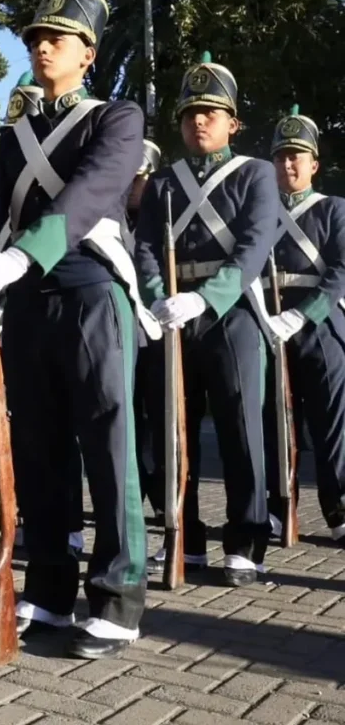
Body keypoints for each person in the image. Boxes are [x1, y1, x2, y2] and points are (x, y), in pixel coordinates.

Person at [0, 0, 158, 658]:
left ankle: (118, 596)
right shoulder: (13, 134)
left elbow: (93, 191)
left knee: (108, 445)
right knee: (39, 451)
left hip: (93, 292)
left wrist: (19, 255)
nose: (44, 46)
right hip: (31, 302)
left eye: (60, 36)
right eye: (38, 36)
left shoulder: (117, 117)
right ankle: (46, 589)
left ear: (88, 51)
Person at [135, 52, 278, 587]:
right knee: (170, 430)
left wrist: (207, 298)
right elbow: (145, 247)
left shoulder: (256, 174)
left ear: (232, 124)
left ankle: (245, 542)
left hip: (231, 311)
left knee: (242, 427)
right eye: (191, 112)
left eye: (211, 113)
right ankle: (184, 537)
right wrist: (156, 298)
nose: (199, 120)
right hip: (172, 314)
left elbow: (254, 246)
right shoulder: (163, 184)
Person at [264, 106, 345, 547]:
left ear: (314, 164)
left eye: (297, 155)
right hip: (271, 323)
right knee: (271, 422)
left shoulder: (334, 210)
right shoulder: (262, 213)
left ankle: (339, 508)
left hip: (320, 325)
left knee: (331, 423)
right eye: (280, 156)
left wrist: (303, 315)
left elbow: (341, 271)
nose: (288, 163)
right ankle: (277, 509)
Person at [129, 139, 166, 521]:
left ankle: (162, 499)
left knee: (159, 422)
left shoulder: (160, 224)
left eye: (137, 179)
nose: (130, 186)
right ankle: (134, 494)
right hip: (120, 337)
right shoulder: (108, 219)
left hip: (155, 334)